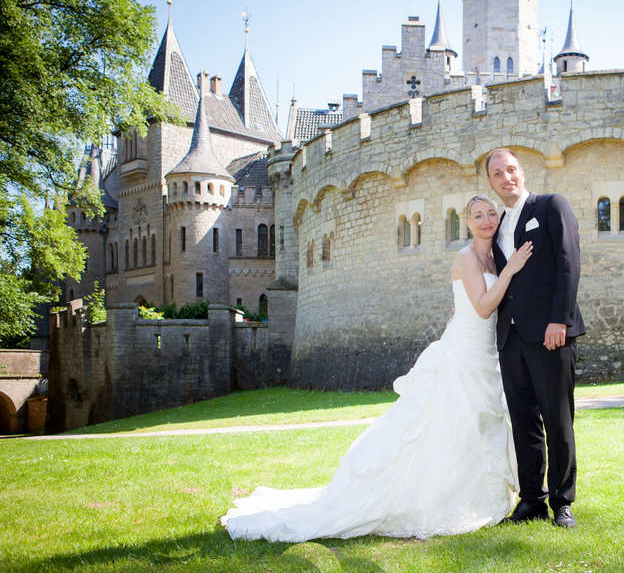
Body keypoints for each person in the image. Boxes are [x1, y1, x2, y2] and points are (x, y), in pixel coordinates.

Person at [221, 195, 533, 542]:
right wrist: (511, 271)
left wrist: (498, 276)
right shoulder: (467, 257)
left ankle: (475, 495)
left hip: (483, 351)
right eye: (478, 215)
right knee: (450, 422)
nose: (487, 219)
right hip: (465, 353)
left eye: (492, 213)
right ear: (468, 222)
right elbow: (485, 306)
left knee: (475, 423)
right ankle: (433, 500)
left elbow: (467, 305)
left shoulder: (493, 256)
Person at [485, 148, 585, 529]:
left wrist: (559, 320)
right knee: (522, 420)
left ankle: (562, 501)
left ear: (522, 172)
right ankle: (532, 500)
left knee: (557, 419)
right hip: (510, 338)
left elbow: (568, 262)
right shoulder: (499, 226)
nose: (506, 177)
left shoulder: (550, 206)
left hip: (550, 335)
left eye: (511, 170)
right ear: (490, 182)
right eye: (497, 174)